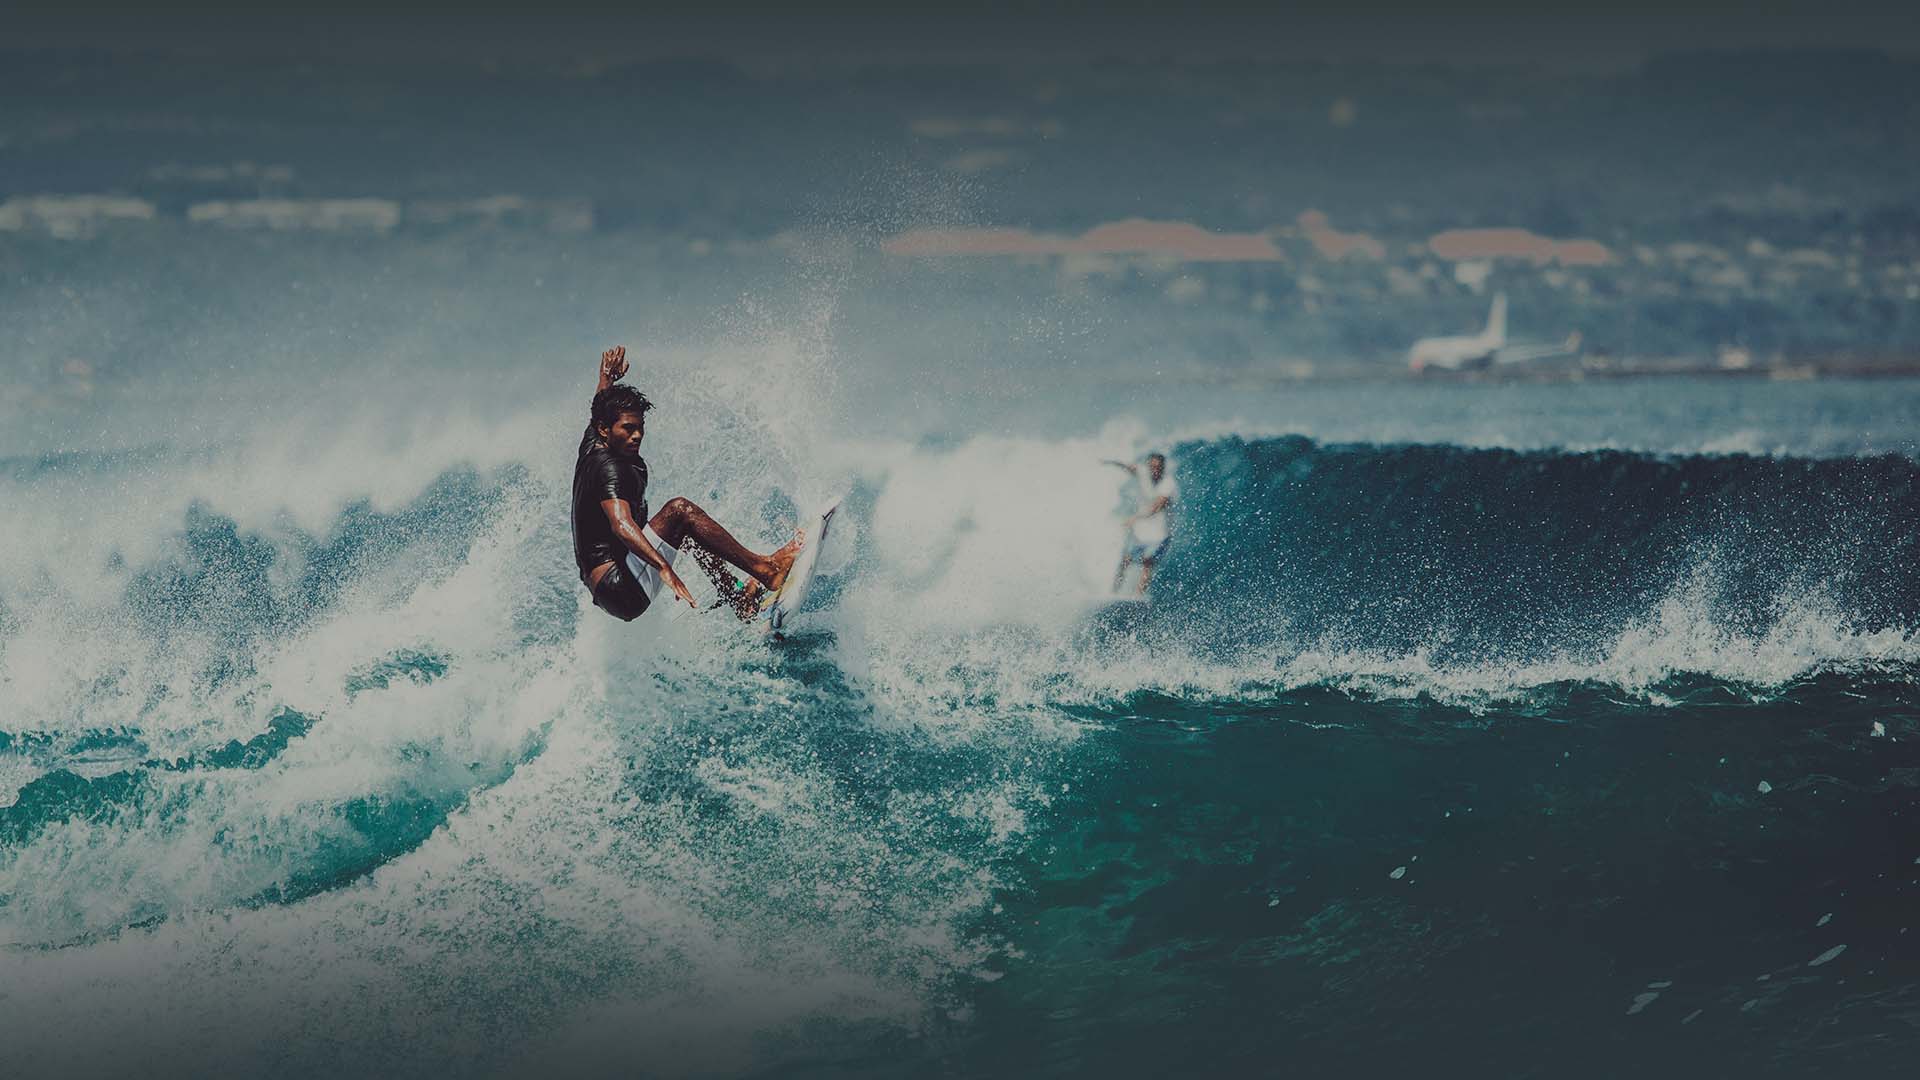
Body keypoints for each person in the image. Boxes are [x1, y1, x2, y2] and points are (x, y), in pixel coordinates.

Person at [573, 345, 801, 622]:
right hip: (622, 587)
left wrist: (606, 379)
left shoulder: (594, 441)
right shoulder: (610, 467)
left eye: (640, 427)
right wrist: (663, 567)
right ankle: (766, 570)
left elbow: (599, 409)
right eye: (628, 428)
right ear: (605, 429)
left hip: (609, 585)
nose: (637, 435)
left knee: (690, 532)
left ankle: (737, 596)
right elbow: (620, 523)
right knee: (680, 511)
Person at [1103, 452, 1178, 595]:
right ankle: (1113, 593)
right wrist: (1110, 461)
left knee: (1148, 561)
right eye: (1152, 467)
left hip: (1161, 534)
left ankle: (1138, 597)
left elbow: (1157, 507)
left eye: (1158, 467)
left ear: (1163, 467)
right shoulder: (1144, 473)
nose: (1155, 470)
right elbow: (1129, 467)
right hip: (1142, 531)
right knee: (1125, 559)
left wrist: (1135, 518)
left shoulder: (1168, 484)